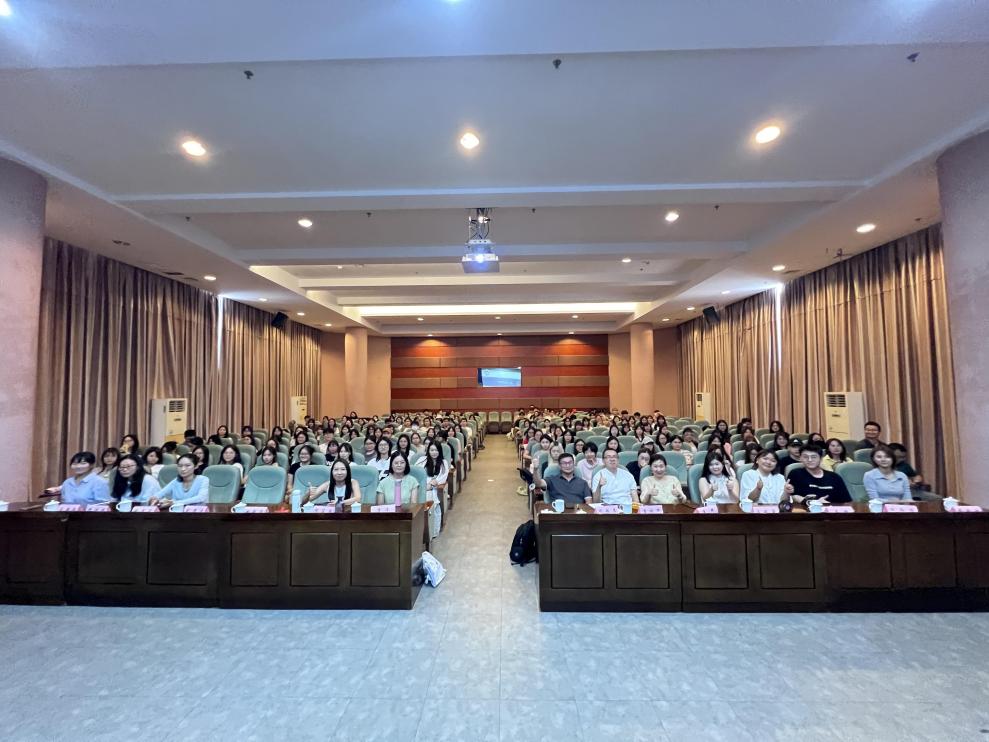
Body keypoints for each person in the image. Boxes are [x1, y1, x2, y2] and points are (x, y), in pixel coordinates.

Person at [786, 445, 851, 505]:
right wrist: (815, 502)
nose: (810, 460)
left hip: (831, 511)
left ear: (821, 459)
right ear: (800, 458)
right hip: (805, 511)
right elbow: (793, 497)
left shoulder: (834, 477)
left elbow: (846, 501)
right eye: (805, 457)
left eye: (813, 457)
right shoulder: (796, 474)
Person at [415, 442, 449, 538]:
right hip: (421, 486)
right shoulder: (422, 460)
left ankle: (430, 532)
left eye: (436, 450)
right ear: (428, 450)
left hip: (434, 487)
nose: (434, 452)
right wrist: (424, 485)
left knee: (430, 497)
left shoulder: (443, 462)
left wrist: (432, 483)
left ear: (440, 451)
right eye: (432, 450)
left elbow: (443, 477)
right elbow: (416, 474)